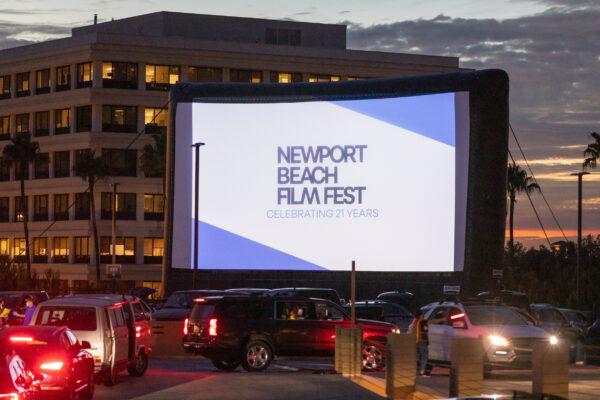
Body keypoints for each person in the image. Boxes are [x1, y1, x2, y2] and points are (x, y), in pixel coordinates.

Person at [412, 309, 430, 376]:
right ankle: (421, 371)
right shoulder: (422, 322)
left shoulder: (415, 322)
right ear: (420, 315)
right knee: (424, 356)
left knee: (418, 357)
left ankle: (416, 370)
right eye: (422, 314)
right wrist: (442, 319)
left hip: (416, 342)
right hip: (422, 341)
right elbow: (430, 322)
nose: (423, 315)